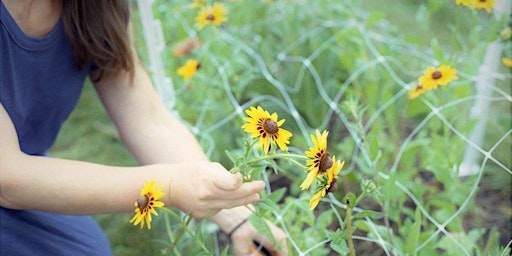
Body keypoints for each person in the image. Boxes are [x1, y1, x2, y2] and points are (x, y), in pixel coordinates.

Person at [0, 0, 288, 255]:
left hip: (28, 164)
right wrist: (171, 186)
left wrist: (236, 217)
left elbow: (148, 121)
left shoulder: (95, 7)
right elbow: (9, 178)